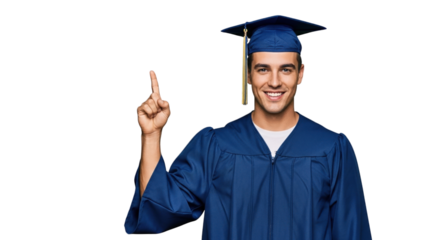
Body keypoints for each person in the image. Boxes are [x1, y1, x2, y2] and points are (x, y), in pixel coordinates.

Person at [123, 14, 373, 239]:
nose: (274, 82)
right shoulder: (215, 145)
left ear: (302, 74)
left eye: (286, 69)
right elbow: (160, 207)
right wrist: (152, 135)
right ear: (249, 75)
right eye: (263, 69)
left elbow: (353, 234)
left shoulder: (333, 150)